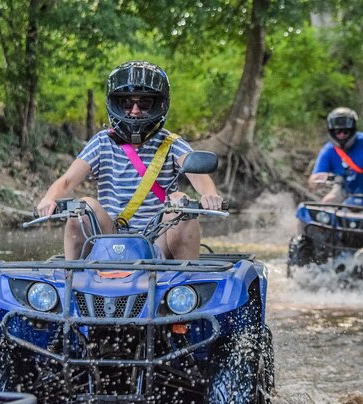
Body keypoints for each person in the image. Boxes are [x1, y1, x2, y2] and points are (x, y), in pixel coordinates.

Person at [37, 61, 223, 260]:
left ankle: (188, 281)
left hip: (157, 238)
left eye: (144, 103)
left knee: (179, 200)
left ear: (158, 104)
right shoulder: (101, 142)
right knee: (83, 206)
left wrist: (209, 194)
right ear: (116, 104)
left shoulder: (171, 143)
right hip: (109, 238)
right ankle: (72, 278)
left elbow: (198, 174)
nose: (134, 110)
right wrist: (49, 198)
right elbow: (67, 181)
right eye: (127, 103)